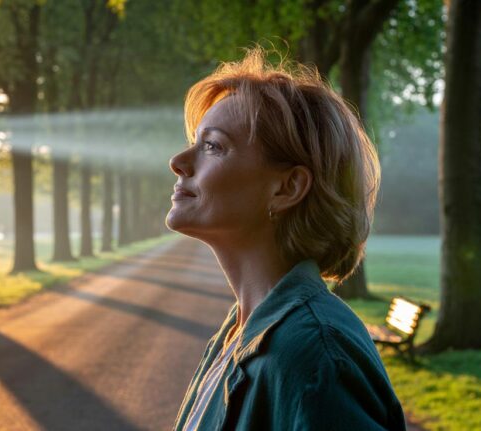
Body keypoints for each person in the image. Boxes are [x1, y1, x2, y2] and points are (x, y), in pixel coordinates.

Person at [165, 47, 407, 431]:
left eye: (212, 146)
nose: (178, 161)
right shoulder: (237, 335)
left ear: (287, 187)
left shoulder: (315, 356)